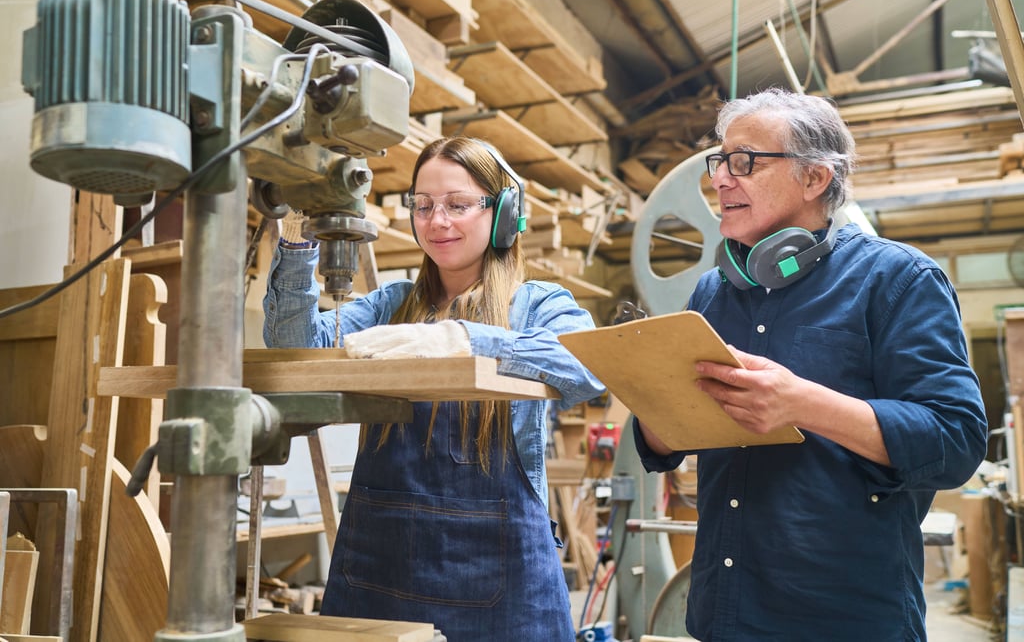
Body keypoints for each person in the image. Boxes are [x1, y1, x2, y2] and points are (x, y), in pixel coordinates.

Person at [633, 88, 988, 641]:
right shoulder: (712, 292)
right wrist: (657, 412)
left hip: (843, 619)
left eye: (744, 162)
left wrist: (801, 403)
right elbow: (670, 436)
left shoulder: (897, 280)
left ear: (815, 178)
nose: (720, 179)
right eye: (719, 162)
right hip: (721, 614)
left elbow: (956, 438)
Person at [263, 136, 605, 641]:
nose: (437, 221)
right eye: (422, 206)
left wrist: (463, 339)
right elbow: (296, 349)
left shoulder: (537, 305)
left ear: (504, 213)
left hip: (498, 576)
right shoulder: (390, 305)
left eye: (458, 205)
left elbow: (588, 362)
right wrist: (297, 235)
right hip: (378, 566)